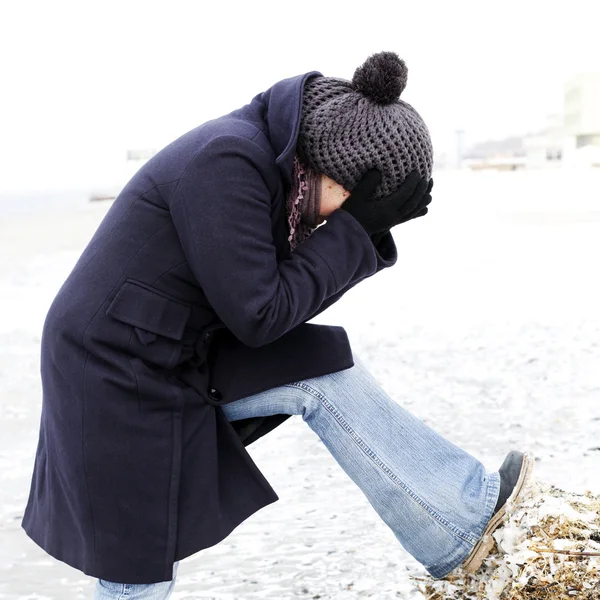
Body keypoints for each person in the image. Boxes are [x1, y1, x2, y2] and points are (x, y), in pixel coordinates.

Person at [22, 52, 533, 599]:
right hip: (113, 365)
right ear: (326, 167)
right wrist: (354, 231)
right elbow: (261, 315)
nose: (338, 216)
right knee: (137, 565)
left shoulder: (283, 171)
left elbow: (278, 306)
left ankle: (461, 522)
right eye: (349, 200)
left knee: (323, 368)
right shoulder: (226, 162)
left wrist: (359, 229)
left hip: (177, 348)